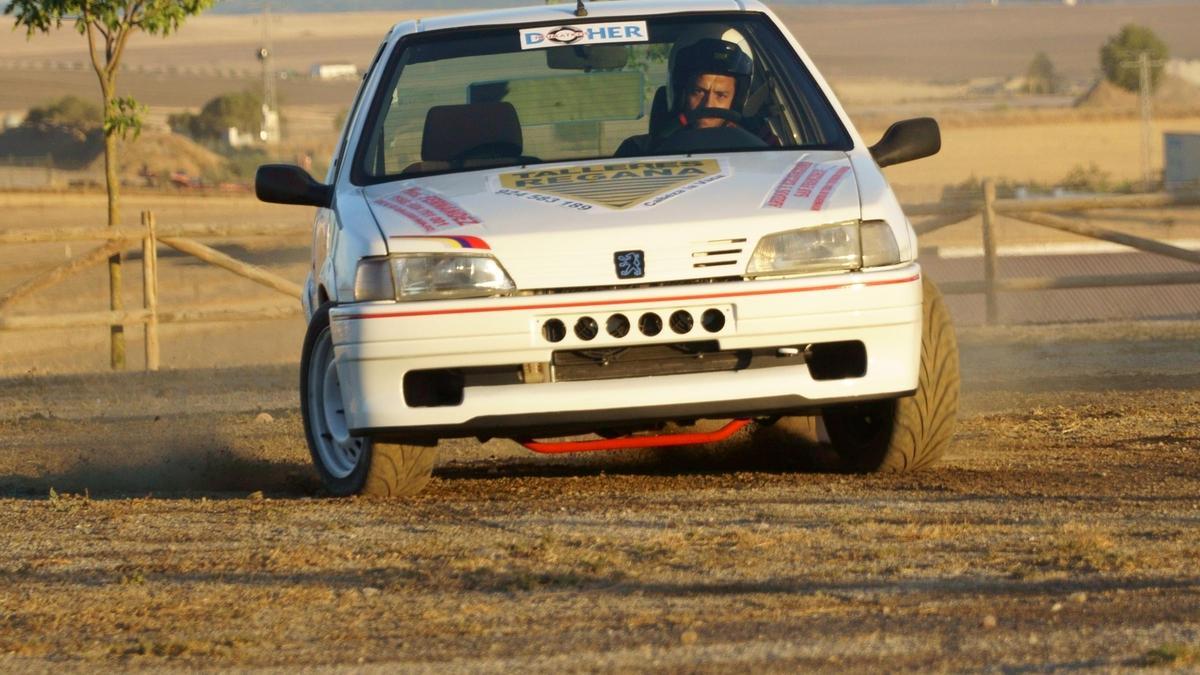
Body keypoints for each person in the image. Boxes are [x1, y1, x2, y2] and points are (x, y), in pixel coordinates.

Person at [614, 38, 755, 157]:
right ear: (682, 94)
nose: (708, 105)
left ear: (735, 101)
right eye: (699, 91)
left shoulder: (756, 149)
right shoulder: (637, 150)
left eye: (721, 95)